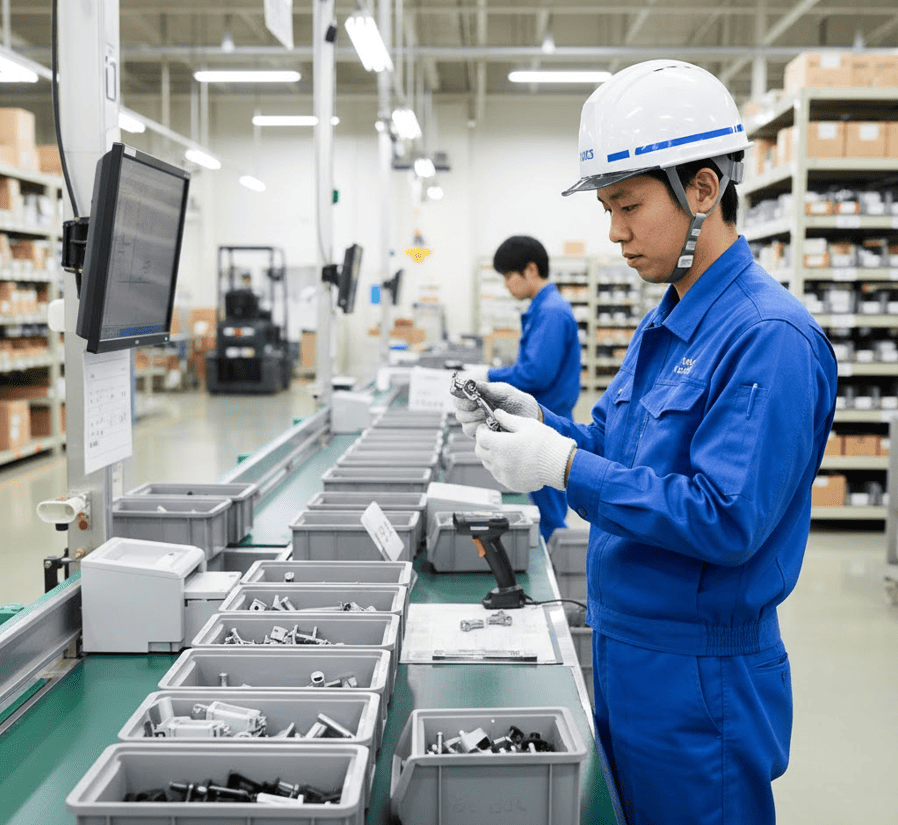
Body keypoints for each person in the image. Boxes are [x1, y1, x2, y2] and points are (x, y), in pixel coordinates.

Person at [452, 60, 838, 825]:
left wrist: (562, 467)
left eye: (628, 206)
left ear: (702, 189)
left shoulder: (770, 338)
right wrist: (544, 422)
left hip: (701, 678)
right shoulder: (667, 320)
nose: (615, 232)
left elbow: (725, 517)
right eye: (607, 208)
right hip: (628, 652)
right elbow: (618, 447)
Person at [462, 235, 581, 541]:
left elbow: (536, 373)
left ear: (530, 270)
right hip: (542, 415)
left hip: (548, 420)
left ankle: (554, 574)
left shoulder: (551, 311)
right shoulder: (542, 307)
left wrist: (487, 374)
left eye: (508, 276)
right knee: (543, 506)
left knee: (549, 514)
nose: (505, 285)